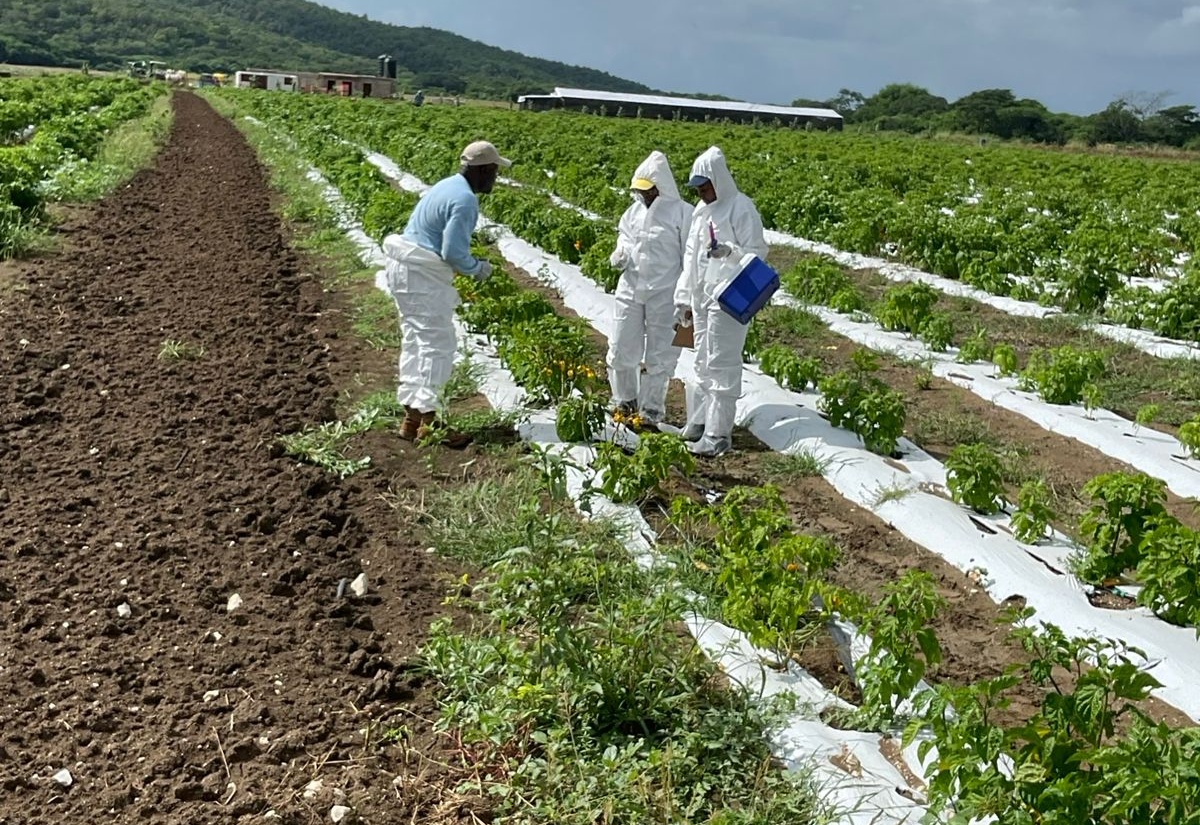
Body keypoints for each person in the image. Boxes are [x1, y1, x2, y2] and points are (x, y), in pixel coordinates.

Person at [382, 140, 511, 446]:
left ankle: (411, 419)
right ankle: (430, 422)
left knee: (416, 340)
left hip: (403, 266)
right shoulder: (465, 199)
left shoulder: (447, 185)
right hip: (422, 275)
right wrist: (477, 268)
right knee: (438, 345)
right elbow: (452, 251)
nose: (496, 179)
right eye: (494, 172)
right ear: (484, 170)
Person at [673, 146, 768, 457]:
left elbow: (758, 252)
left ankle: (718, 435)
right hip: (702, 297)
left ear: (719, 180)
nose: (701, 193)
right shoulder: (701, 212)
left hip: (729, 296)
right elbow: (690, 257)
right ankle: (698, 424)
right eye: (698, 189)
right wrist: (684, 297)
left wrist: (730, 252)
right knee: (701, 360)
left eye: (705, 186)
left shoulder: (740, 207)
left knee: (721, 364)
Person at [607, 150, 693, 426]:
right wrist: (620, 253)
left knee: (661, 355)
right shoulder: (633, 213)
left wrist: (686, 298)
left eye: (649, 191)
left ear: (662, 188)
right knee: (621, 347)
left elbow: (689, 259)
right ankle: (624, 400)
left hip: (665, 295)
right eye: (641, 191)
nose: (644, 196)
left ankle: (651, 410)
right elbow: (625, 238)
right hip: (631, 289)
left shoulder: (682, 214)